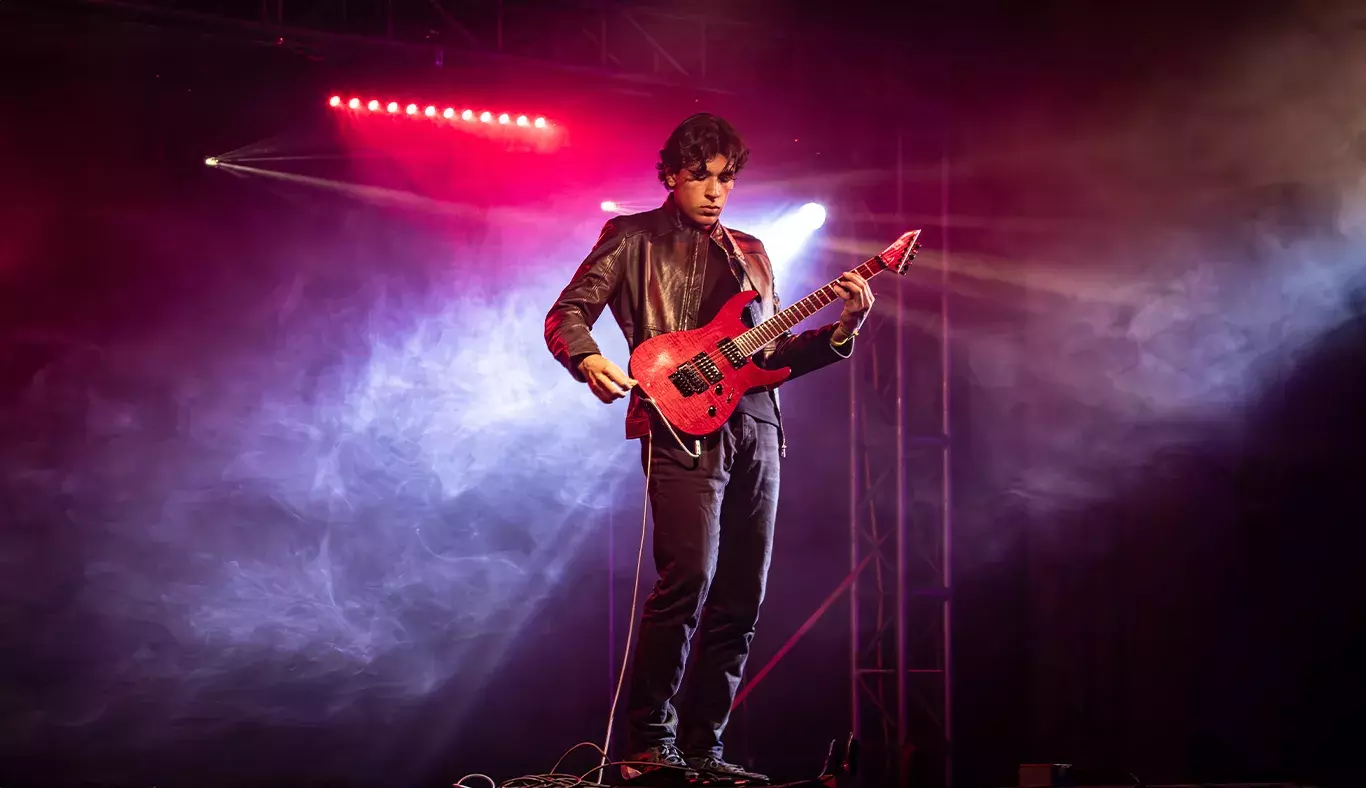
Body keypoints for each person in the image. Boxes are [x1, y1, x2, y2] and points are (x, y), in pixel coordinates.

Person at [544, 113, 874, 782]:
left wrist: (845, 327)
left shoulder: (751, 251)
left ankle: (703, 748)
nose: (716, 191)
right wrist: (587, 360)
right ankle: (646, 742)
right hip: (679, 420)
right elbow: (568, 310)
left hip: (757, 426)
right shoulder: (632, 236)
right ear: (672, 175)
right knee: (687, 577)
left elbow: (768, 355)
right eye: (702, 177)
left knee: (742, 596)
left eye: (727, 179)